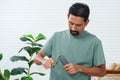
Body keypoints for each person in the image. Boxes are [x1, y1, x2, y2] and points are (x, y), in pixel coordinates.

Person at [34, 2, 106, 80]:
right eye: (71, 23)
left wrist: (80, 68)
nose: (73, 28)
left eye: (78, 25)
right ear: (68, 17)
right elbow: (37, 57)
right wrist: (43, 61)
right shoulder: (56, 37)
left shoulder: (94, 42)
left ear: (86, 22)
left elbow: (102, 71)